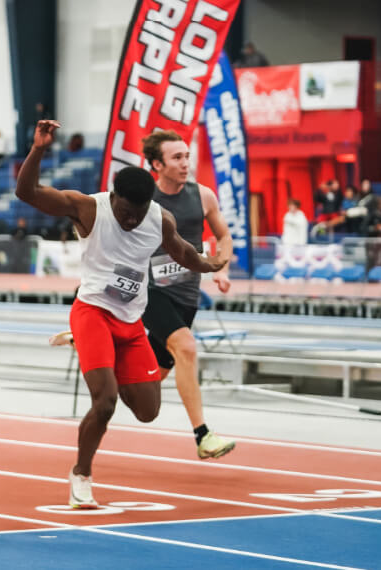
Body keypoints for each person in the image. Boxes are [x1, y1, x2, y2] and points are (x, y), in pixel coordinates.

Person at [16, 119, 228, 508]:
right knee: (106, 401)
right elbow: (26, 191)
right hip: (93, 311)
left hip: (131, 323)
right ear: (114, 198)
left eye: (138, 213)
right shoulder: (87, 208)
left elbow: (182, 253)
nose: (131, 221)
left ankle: (102, 358)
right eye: (126, 213)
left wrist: (210, 265)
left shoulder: (158, 218)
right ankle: (81, 474)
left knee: (148, 411)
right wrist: (40, 148)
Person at [139, 130, 236, 460]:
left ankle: (106, 367)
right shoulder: (143, 200)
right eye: (176, 158)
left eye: (186, 157)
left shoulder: (203, 196)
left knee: (150, 379)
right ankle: (203, 435)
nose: (185, 164)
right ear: (157, 164)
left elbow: (223, 236)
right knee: (186, 346)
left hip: (186, 296)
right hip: (150, 292)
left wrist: (220, 268)